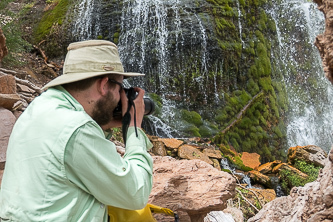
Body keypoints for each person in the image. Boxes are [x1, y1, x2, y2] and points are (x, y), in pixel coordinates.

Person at [0, 40, 153, 221]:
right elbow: (136, 194)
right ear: (104, 84)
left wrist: (103, 123)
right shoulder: (77, 129)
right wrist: (133, 127)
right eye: (119, 87)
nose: (121, 96)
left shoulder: (40, 107)